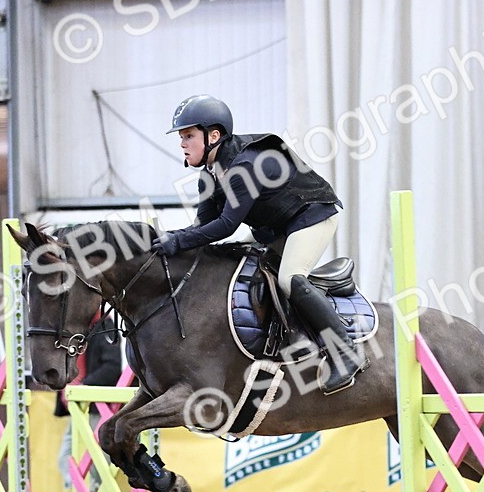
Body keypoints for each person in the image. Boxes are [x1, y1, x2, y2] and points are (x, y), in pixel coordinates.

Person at [151, 94, 366, 394]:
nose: (182, 143)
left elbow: (226, 226)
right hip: (278, 226)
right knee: (243, 262)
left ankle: (345, 350)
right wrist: (169, 238)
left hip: (313, 215)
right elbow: (201, 228)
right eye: (182, 137)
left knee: (290, 278)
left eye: (188, 136)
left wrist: (177, 242)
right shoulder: (209, 176)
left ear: (213, 135)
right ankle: (295, 339)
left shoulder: (244, 167)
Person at [56, 312, 122, 492]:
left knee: (94, 457)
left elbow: (112, 367)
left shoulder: (106, 328)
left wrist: (82, 386)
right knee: (67, 454)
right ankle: (83, 491)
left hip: (96, 405)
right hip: (82, 403)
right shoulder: (78, 329)